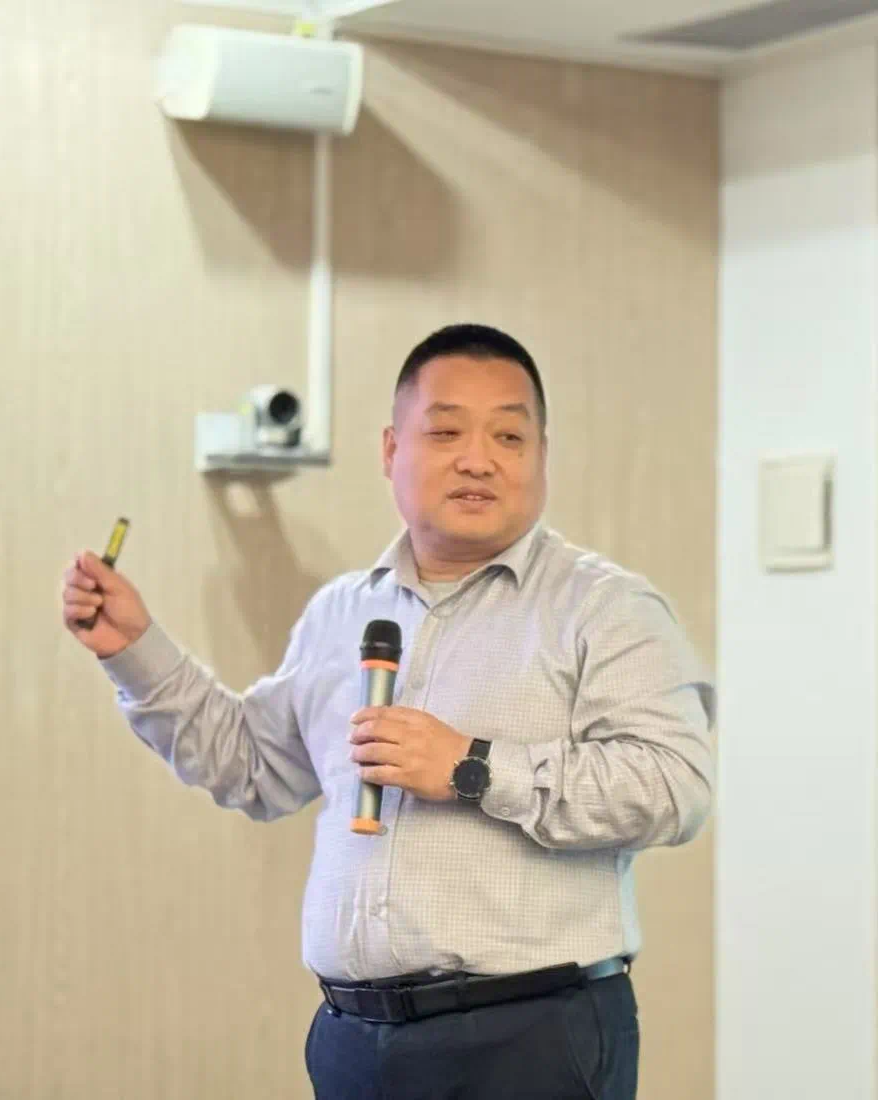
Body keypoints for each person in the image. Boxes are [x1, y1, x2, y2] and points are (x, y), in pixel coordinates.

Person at [60, 323, 715, 1100]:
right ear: (390, 449)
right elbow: (253, 766)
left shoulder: (606, 609)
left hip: (530, 1040)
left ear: (542, 454)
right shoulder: (342, 612)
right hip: (355, 1043)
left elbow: (673, 786)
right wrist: (135, 650)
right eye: (445, 431)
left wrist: (472, 766)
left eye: (509, 435)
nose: (479, 459)